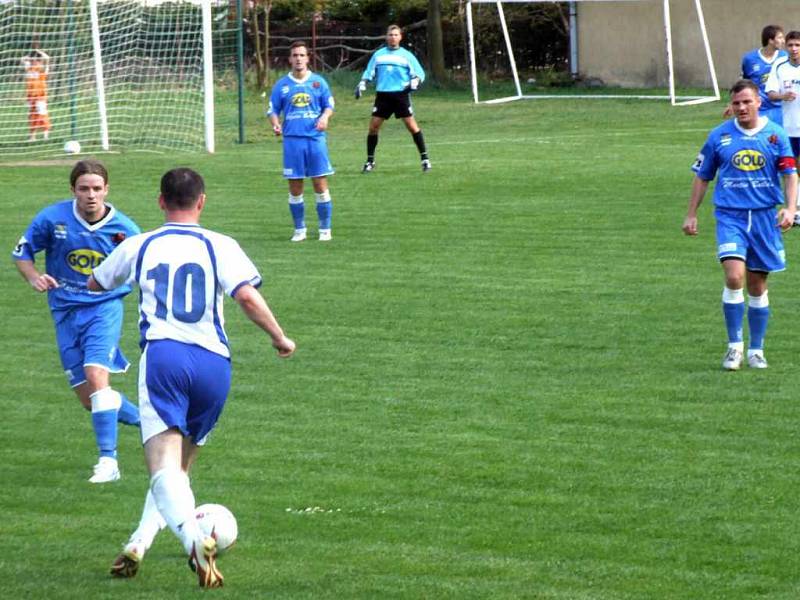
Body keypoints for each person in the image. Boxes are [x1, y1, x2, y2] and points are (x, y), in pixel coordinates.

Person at [88, 168, 296, 587]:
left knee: (163, 466)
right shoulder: (221, 244)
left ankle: (192, 541)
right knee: (179, 470)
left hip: (164, 358)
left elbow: (95, 284)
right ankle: (139, 542)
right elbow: (247, 296)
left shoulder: (140, 244)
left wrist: (119, 258)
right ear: (202, 201)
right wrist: (279, 337)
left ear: (161, 201)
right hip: (214, 366)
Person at [11, 159, 141, 482]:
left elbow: (144, 268)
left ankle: (108, 463)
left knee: (97, 376)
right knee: (91, 400)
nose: (91, 195)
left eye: (97, 188)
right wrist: (33, 278)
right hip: (65, 313)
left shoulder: (124, 230)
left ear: (107, 190)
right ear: (73, 190)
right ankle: (149, 422)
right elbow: (22, 252)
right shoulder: (52, 219)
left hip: (104, 309)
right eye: (84, 189)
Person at [683, 80, 797, 370]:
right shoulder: (719, 137)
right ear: (730, 106)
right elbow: (702, 176)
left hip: (763, 217)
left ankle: (756, 350)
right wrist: (691, 214)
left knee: (757, 286)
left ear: (759, 102)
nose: (742, 108)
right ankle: (734, 348)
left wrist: (790, 207)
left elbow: (789, 174)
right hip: (730, 216)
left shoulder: (775, 135)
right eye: (736, 103)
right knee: (734, 277)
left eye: (747, 102)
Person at [267, 40, 335, 242]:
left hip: (315, 140)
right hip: (292, 141)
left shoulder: (318, 82)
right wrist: (275, 124)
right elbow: (272, 110)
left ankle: (325, 229)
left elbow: (329, 105)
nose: (298, 59)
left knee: (319, 183)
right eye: (295, 55)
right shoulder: (282, 85)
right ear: (290, 59)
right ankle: (299, 229)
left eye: (301, 55)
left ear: (308, 58)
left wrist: (324, 117)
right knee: (295, 187)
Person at [355, 24, 431, 173]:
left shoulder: (407, 55)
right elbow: (369, 72)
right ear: (386, 37)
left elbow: (420, 73)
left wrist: (415, 80)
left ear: (400, 37)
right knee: (373, 128)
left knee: (412, 127)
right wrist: (363, 83)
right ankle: (370, 161)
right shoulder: (378, 55)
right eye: (390, 35)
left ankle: (425, 159)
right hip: (383, 95)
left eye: (396, 35)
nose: (393, 37)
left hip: (400, 95)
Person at [739, 25, 787, 125]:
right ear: (770, 40)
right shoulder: (750, 59)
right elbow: (743, 84)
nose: (783, 41)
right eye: (780, 37)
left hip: (781, 109)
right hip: (759, 109)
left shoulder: (784, 57)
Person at [22, 48, 52, 142]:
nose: (34, 61)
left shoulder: (41, 69)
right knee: (32, 116)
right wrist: (29, 55)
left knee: (42, 115)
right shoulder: (29, 68)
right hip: (31, 96)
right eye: (32, 59)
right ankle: (32, 137)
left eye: (36, 59)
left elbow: (47, 58)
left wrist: (40, 52)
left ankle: (46, 135)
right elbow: (22, 59)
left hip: (40, 96)